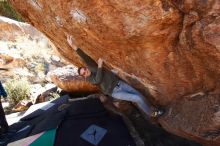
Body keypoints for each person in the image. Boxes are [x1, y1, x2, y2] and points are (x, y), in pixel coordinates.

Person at [67, 35, 164, 118]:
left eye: (85, 69)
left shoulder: (91, 67)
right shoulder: (90, 79)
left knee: (139, 95)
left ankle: (152, 109)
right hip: (114, 92)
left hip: (119, 83)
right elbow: (98, 79)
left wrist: (73, 46)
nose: (86, 72)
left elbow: (83, 56)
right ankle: (152, 113)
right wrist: (100, 66)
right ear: (83, 76)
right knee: (136, 98)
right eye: (83, 73)